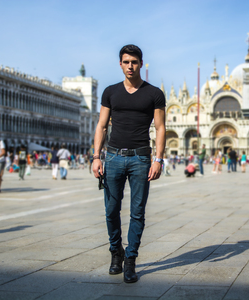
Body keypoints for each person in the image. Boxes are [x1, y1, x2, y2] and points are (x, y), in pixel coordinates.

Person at [92, 44, 166, 283]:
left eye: (134, 62)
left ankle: (131, 259)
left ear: (141, 64)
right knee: (111, 210)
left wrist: (158, 159)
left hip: (141, 158)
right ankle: (116, 253)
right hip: (112, 156)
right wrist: (96, 157)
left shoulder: (154, 93)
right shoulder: (110, 92)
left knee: (138, 212)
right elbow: (102, 125)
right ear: (120, 64)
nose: (130, 66)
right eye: (126, 62)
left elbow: (160, 127)